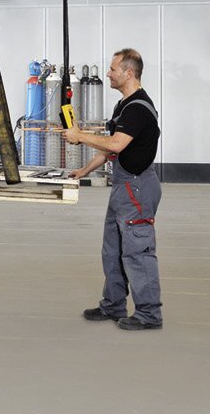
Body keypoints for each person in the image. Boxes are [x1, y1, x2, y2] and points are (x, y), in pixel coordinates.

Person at [64, 48, 163, 331]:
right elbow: (112, 147)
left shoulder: (137, 108)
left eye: (113, 69)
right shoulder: (123, 106)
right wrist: (84, 171)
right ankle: (114, 305)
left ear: (128, 73)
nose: (108, 73)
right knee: (113, 249)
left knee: (137, 251)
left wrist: (80, 136)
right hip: (122, 185)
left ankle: (149, 314)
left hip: (137, 187)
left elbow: (116, 144)